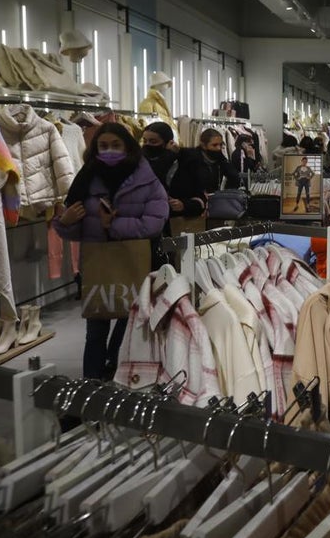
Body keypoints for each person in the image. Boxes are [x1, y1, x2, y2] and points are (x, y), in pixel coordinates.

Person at [53, 122, 169, 380]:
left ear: (128, 146)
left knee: (130, 321)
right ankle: (92, 382)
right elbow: (75, 227)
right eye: (103, 145)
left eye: (116, 145)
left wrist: (112, 225)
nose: (109, 150)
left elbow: (154, 223)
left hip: (133, 261)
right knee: (95, 329)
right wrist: (66, 222)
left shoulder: (147, 179)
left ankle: (115, 369)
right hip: (97, 263)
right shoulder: (86, 177)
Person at [174, 128, 241, 196]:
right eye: (214, 145)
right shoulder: (191, 158)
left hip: (213, 198)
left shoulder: (220, 158)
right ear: (203, 145)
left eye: (221, 145)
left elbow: (234, 175)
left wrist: (227, 193)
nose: (219, 148)